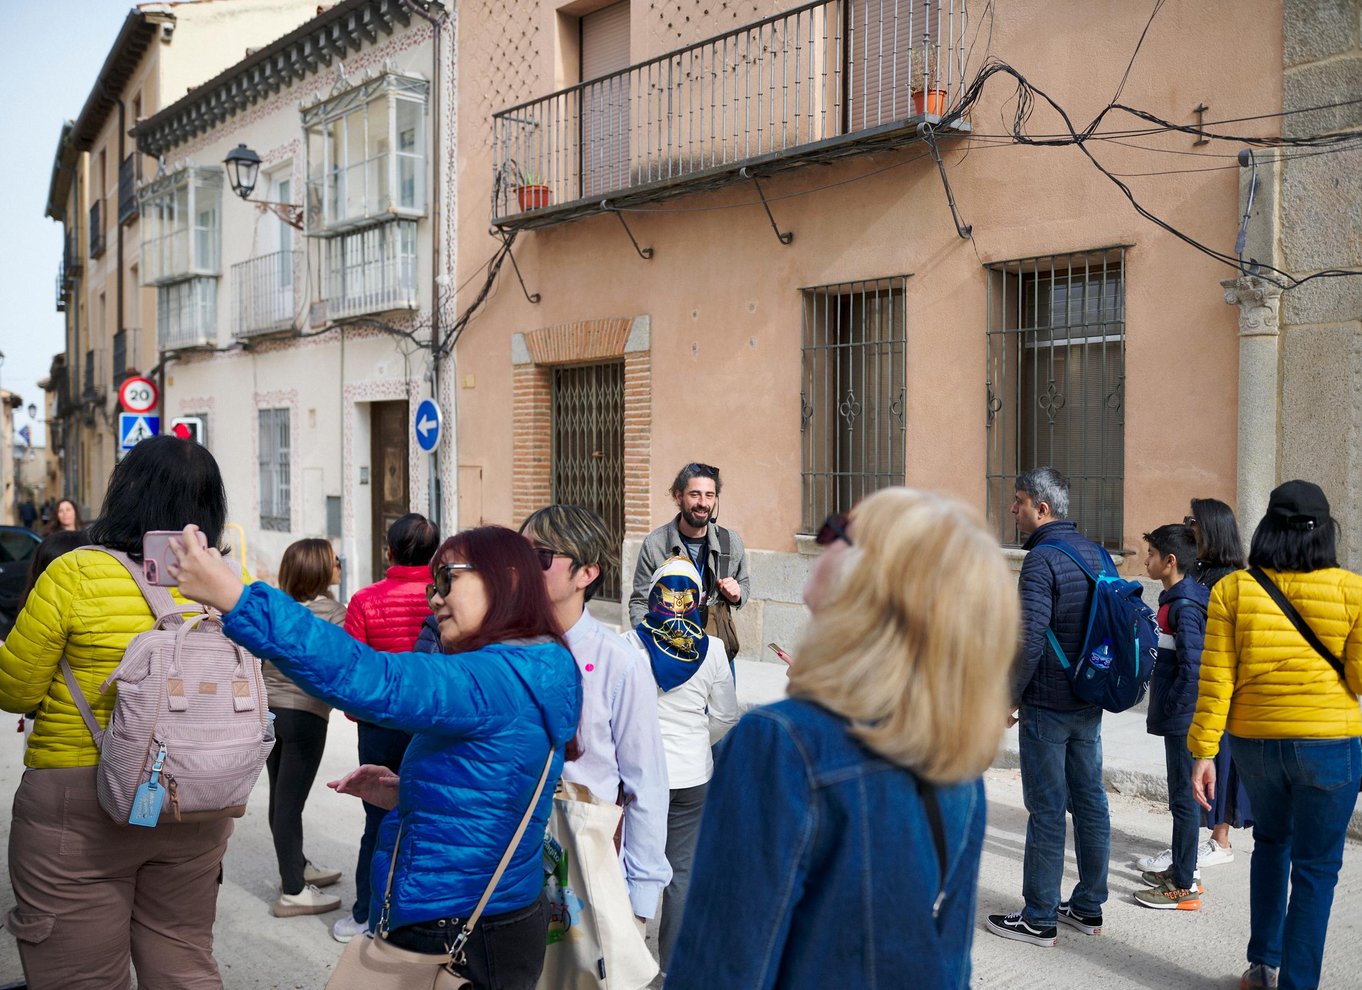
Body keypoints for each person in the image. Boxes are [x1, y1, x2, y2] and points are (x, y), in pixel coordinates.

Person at [172, 524, 582, 990]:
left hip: (457, 922)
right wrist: (408, 791)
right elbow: (500, 786)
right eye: (433, 583)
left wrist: (235, 597)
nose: (436, 597)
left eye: (449, 578)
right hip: (490, 914)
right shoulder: (539, 664)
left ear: (507, 580)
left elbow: (370, 677)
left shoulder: (494, 678)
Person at [667, 488, 1019, 987]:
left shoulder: (781, 744)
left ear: (871, 581)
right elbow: (950, 964)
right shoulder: (955, 756)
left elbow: (721, 969)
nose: (823, 541)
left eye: (838, 533)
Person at [0, 435, 236, 989]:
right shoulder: (225, 587)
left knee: (80, 976)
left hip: (78, 803)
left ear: (125, 494)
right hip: (194, 800)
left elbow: (15, 692)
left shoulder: (75, 573)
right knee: (184, 967)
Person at [1190, 480, 1362, 990]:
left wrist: (1202, 751)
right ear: (1325, 534)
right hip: (1330, 746)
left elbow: (1216, 678)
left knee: (1270, 845)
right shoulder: (1353, 591)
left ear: (1267, 528)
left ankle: (1262, 967)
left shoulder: (1233, 590)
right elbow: (1358, 679)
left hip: (1255, 745)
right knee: (1316, 869)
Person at [518, 504, 671, 923]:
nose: (524, 568)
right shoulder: (502, 649)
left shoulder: (619, 663)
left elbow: (647, 784)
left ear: (587, 573)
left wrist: (639, 901)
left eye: (542, 557)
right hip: (508, 869)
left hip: (588, 868)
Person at [986, 466, 1111, 948]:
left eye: (1019, 501)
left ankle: (1039, 916)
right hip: (1089, 699)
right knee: (1090, 802)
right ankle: (1087, 905)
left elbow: (1030, 638)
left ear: (1043, 508)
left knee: (1046, 809)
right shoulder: (1096, 553)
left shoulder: (1041, 562)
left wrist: (1008, 698)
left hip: (1046, 705)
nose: (1013, 509)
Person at [624, 555, 738, 973]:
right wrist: (696, 743)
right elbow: (726, 716)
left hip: (638, 775)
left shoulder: (628, 643)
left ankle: (628, 966)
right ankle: (673, 969)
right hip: (692, 775)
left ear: (655, 596)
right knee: (681, 874)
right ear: (697, 601)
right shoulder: (714, 651)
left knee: (630, 868)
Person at [332, 512, 440, 943]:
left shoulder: (365, 600)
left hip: (380, 724)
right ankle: (418, 917)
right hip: (430, 724)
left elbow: (354, 673)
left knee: (378, 820)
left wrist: (361, 716)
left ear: (389, 552)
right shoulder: (443, 596)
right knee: (429, 818)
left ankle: (365, 913)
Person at [1136, 496, 1249, 874]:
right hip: (1200, 694)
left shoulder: (1225, 581)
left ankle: (1213, 844)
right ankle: (1191, 850)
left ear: (1213, 529)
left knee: (1210, 771)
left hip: (1216, 690)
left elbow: (1197, 657)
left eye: (1193, 521)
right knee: (1196, 778)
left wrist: (1177, 704)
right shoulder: (1195, 578)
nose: (1188, 527)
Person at [266, 538, 346, 918]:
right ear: (318, 569)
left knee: (280, 797)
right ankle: (293, 891)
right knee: (290, 802)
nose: (339, 566)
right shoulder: (334, 613)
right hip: (306, 714)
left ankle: (294, 866)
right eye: (334, 561)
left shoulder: (276, 608)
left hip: (269, 711)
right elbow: (338, 665)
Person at [1135, 523, 1209, 911]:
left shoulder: (1183, 607)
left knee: (1183, 799)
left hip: (1185, 720)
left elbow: (1192, 669)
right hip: (1180, 716)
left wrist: (1176, 709)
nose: (1145, 560)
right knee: (1181, 798)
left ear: (1170, 561)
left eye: (1150, 554)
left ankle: (1184, 885)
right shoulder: (1175, 600)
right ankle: (1183, 867)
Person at [628, 463, 749, 637]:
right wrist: (649, 642)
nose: (703, 503)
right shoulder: (655, 544)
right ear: (678, 497)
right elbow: (640, 601)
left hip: (719, 647)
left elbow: (744, 584)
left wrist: (736, 595)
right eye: (695, 494)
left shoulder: (730, 541)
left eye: (709, 495)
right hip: (671, 647)